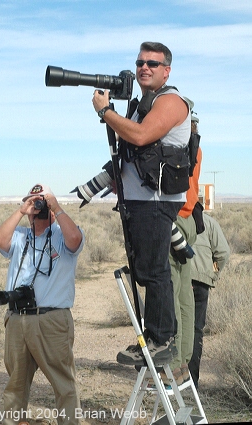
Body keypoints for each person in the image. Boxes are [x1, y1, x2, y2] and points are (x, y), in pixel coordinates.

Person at [92, 41, 191, 366]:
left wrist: (106, 112)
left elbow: (138, 136)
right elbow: (128, 149)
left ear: (167, 70)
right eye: (140, 62)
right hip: (137, 200)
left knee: (154, 271)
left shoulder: (171, 101)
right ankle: (152, 337)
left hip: (156, 200)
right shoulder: (142, 103)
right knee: (144, 271)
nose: (144, 67)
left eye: (152, 63)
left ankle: (162, 341)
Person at [0, 183, 84, 425]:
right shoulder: (21, 237)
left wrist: (57, 207)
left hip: (51, 320)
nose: (38, 207)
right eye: (33, 202)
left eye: (42, 202)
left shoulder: (63, 235)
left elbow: (75, 239)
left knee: (64, 383)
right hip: (17, 319)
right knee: (16, 384)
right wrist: (22, 211)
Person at [160, 109, 202, 387]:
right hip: (187, 218)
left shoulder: (179, 146)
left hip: (172, 217)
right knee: (184, 293)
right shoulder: (194, 145)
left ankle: (173, 362)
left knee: (170, 290)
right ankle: (183, 360)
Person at [188, 212, 230, 389]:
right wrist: (212, 275)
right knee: (196, 330)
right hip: (201, 283)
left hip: (178, 281)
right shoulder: (209, 222)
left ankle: (173, 380)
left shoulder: (172, 217)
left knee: (176, 329)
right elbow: (223, 252)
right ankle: (192, 382)